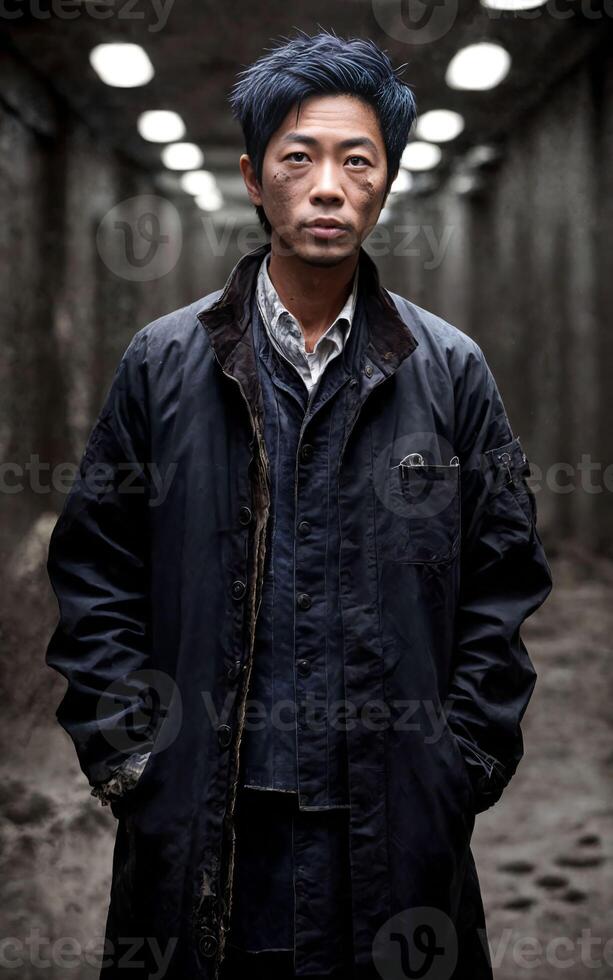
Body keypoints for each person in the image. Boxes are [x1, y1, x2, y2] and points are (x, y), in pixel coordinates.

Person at [45, 28, 553, 980]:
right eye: (299, 158)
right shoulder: (164, 364)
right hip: (207, 817)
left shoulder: (448, 372)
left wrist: (461, 764)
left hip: (392, 827)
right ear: (252, 176)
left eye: (356, 161)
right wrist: (134, 762)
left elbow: (502, 578)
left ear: (386, 183)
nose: (327, 186)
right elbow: (95, 570)